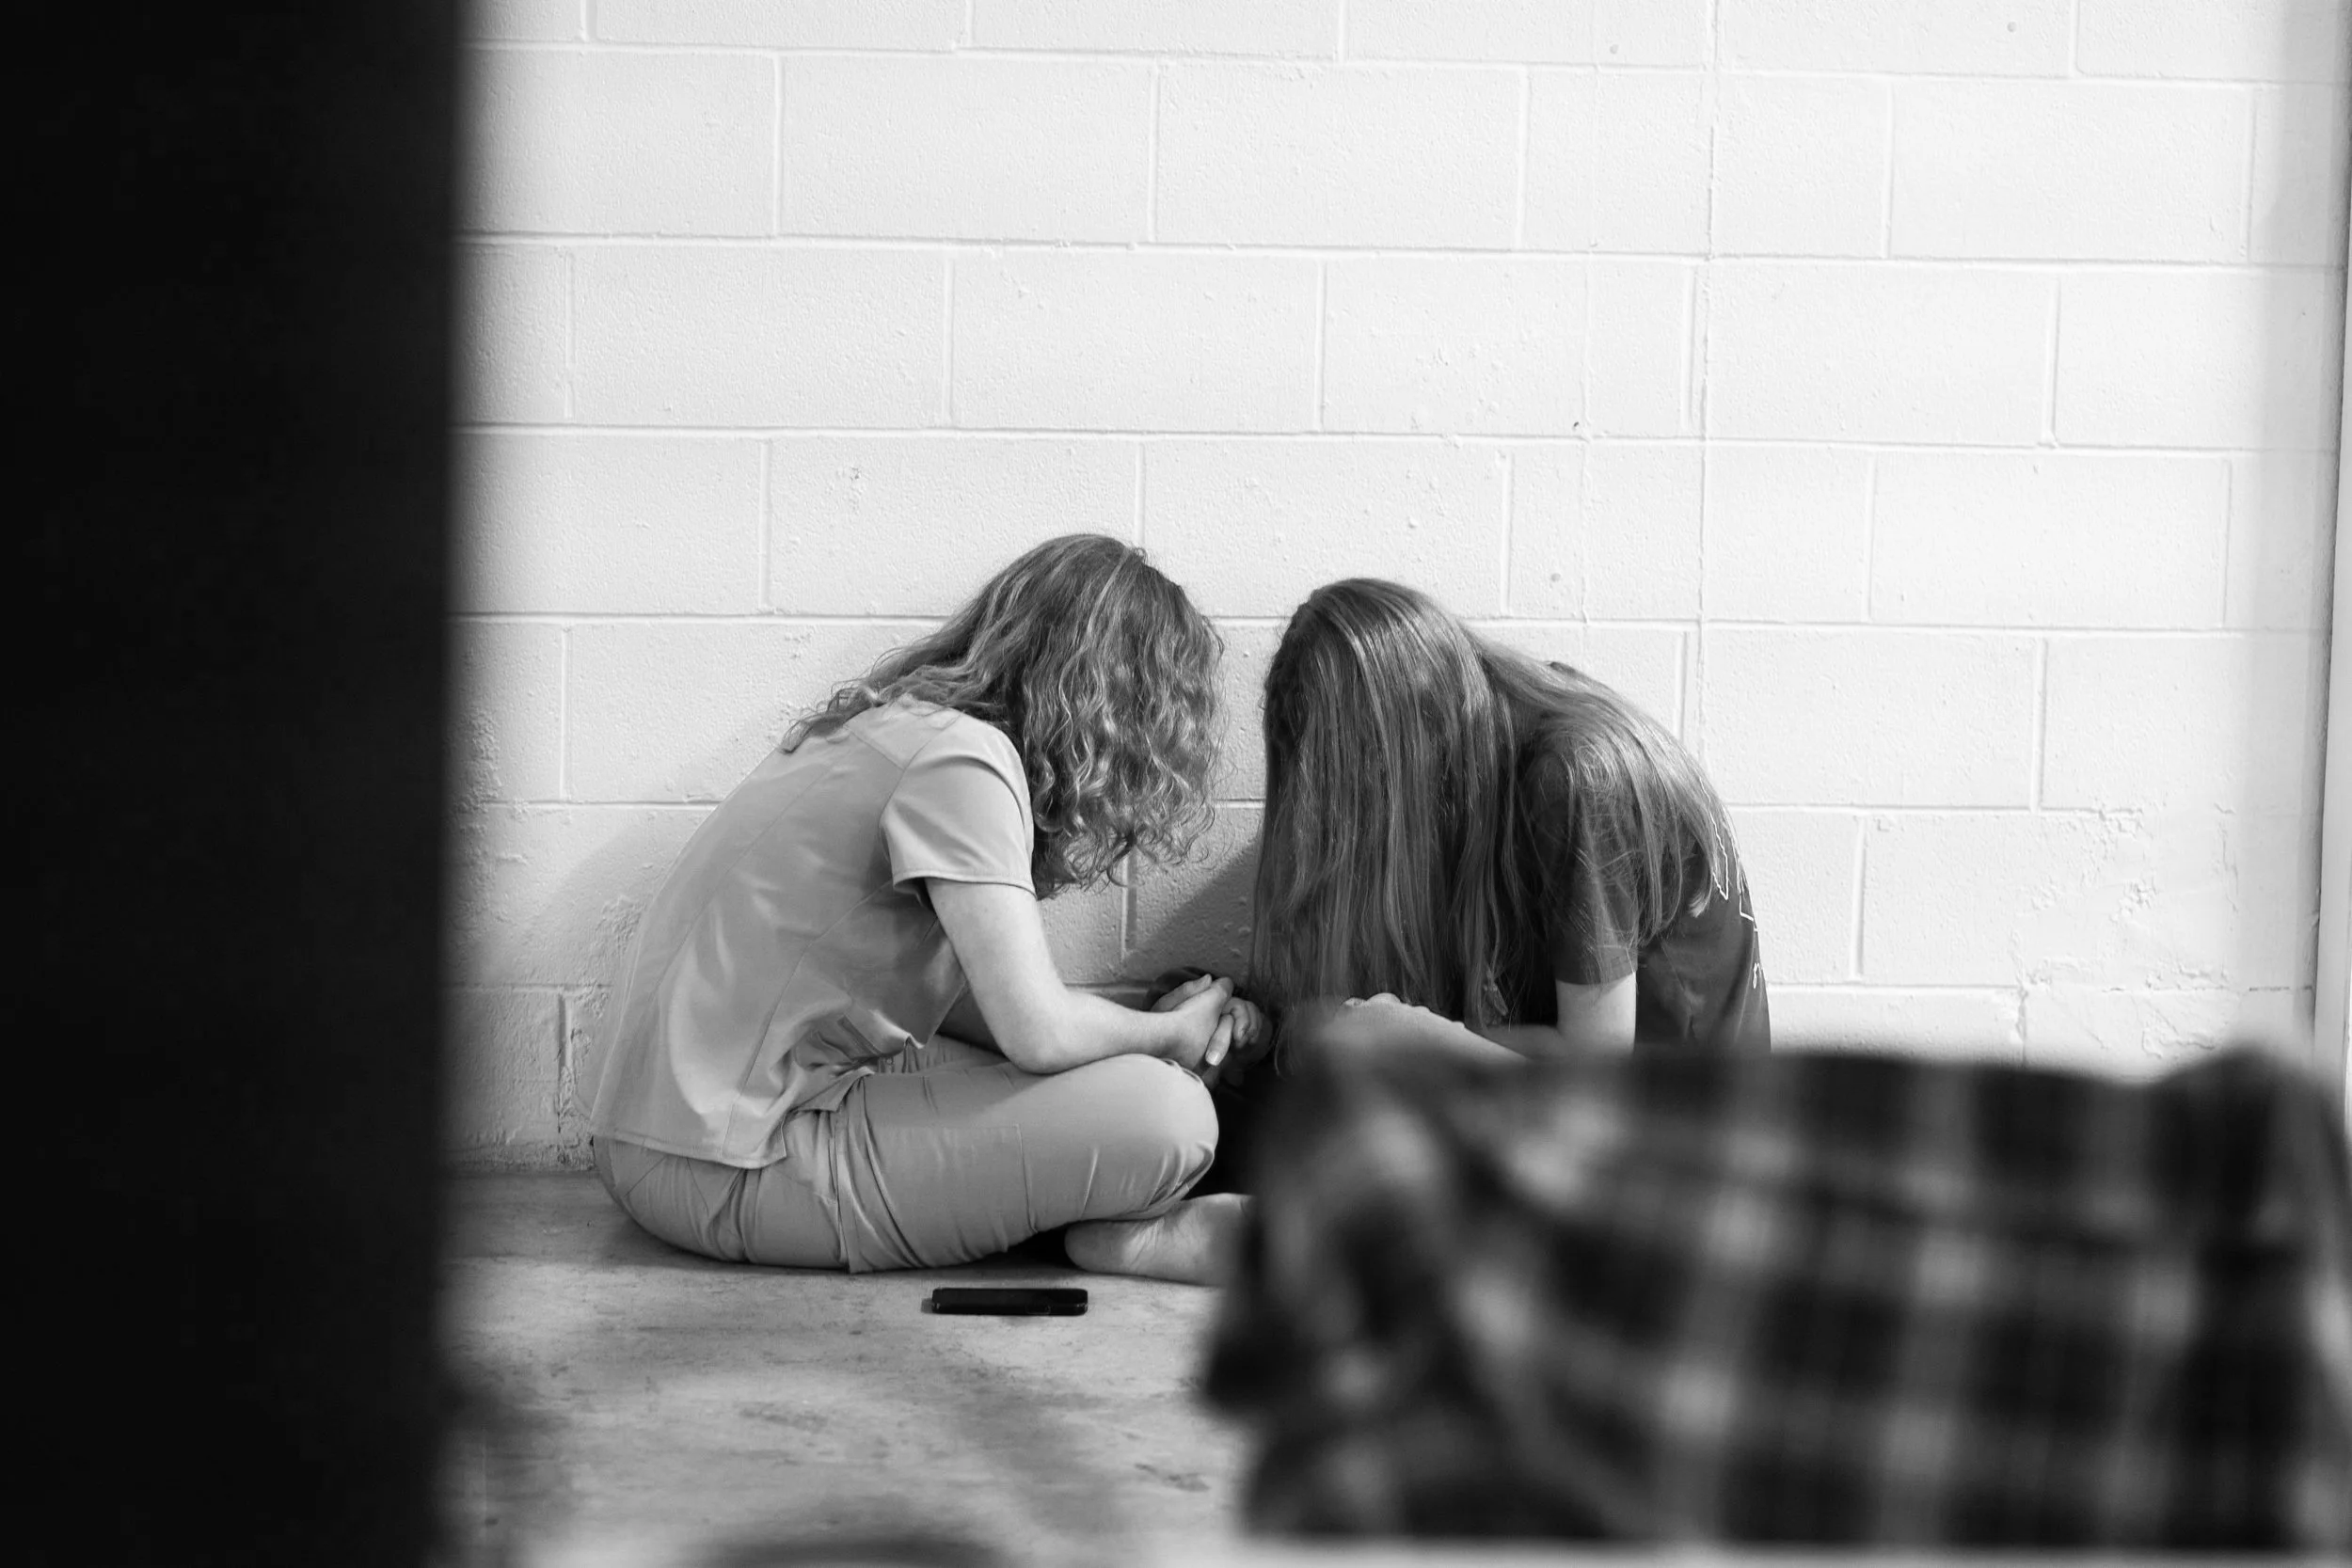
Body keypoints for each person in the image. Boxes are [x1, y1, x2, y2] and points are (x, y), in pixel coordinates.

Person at [587, 534, 1257, 1282]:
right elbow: (1035, 1031)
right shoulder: (965, 763)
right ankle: (1122, 1236)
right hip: (722, 1160)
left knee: (1103, 1078)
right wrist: (1171, 1034)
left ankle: (1099, 1220)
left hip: (668, 1132)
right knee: (1170, 1112)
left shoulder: (901, 730)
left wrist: (1146, 1026)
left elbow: (988, 1014)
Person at [1246, 578, 1768, 1074]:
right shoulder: (1513, 726)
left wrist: (1411, 1034)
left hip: (1683, 1123)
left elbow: (1593, 1065)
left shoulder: (1575, 780)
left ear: (1397, 753)